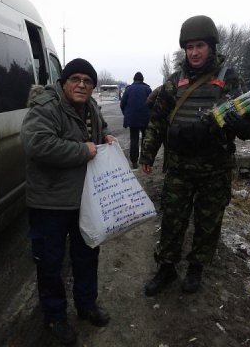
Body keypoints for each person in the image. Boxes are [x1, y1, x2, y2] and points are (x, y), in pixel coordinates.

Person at [140, 15, 250, 297]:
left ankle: (196, 267)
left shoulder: (230, 79)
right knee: (172, 220)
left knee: (208, 223)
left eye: (200, 46)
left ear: (212, 47)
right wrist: (147, 154)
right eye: (189, 47)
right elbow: (157, 120)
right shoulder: (174, 82)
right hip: (179, 168)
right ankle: (166, 267)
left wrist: (239, 124)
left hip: (214, 170)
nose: (194, 53)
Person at [21, 58, 115, 345]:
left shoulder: (91, 108)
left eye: (87, 81)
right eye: (75, 79)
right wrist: (81, 151)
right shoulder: (47, 107)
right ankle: (55, 317)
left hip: (84, 199)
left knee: (87, 255)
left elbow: (98, 130)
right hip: (49, 203)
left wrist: (105, 136)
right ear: (63, 82)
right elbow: (36, 144)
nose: (82, 85)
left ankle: (86, 306)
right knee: (50, 263)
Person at [120, 71, 152, 169]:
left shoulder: (128, 89)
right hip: (145, 119)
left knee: (134, 140)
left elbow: (122, 104)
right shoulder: (147, 89)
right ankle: (144, 160)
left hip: (132, 119)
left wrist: (126, 114)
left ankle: (134, 162)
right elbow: (153, 103)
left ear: (134, 79)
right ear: (142, 80)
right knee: (145, 139)